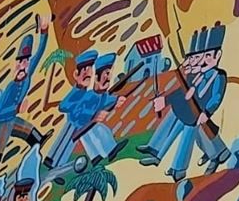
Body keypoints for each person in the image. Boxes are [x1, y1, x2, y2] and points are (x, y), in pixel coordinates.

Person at [137, 24, 230, 181]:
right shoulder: (196, 75)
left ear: (217, 55)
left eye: (208, 56)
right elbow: (182, 93)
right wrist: (165, 100)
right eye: (202, 56)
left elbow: (216, 97)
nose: (203, 61)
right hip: (190, 111)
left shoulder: (218, 76)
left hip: (198, 114)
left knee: (191, 132)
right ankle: (156, 152)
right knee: (179, 119)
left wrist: (207, 112)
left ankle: (178, 169)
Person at [0, 16, 49, 183]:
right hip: (4, 122)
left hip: (13, 120)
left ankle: (38, 145)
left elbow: (40, 53)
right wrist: (16, 108)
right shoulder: (11, 87)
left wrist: (44, 31)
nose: (23, 65)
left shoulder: (27, 76)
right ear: (15, 65)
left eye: (26, 62)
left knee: (30, 132)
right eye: (20, 62)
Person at [43, 49, 97, 171]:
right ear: (76, 75)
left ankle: (58, 164)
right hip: (72, 122)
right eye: (84, 70)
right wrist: (76, 105)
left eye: (90, 70)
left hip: (80, 124)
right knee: (63, 140)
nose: (87, 73)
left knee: (68, 145)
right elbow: (63, 106)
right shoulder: (76, 91)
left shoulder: (90, 94)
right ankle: (51, 158)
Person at [77, 53, 127, 164]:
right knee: (99, 131)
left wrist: (117, 99)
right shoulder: (90, 96)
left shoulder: (101, 95)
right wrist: (93, 117)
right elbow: (81, 111)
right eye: (107, 74)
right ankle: (108, 151)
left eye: (110, 74)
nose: (108, 78)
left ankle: (97, 156)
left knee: (95, 133)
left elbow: (107, 99)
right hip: (82, 124)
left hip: (85, 125)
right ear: (96, 78)